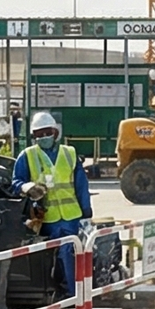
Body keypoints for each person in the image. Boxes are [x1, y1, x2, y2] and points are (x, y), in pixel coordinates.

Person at [15, 110, 93, 299]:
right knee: (51, 257)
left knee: (69, 253)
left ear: (55, 133)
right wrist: (28, 187)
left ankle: (75, 295)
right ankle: (63, 293)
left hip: (71, 216)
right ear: (33, 136)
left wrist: (87, 213)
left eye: (47, 132)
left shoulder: (70, 154)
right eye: (39, 134)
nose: (44, 137)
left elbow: (81, 185)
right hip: (46, 219)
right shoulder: (27, 156)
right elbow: (16, 181)